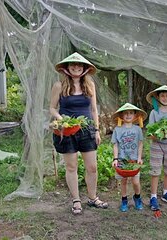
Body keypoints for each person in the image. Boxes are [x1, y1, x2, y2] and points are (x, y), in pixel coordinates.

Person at [50, 52, 108, 215]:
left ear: (84, 68)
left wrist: (96, 130)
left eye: (79, 65)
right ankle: (76, 200)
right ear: (67, 68)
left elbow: (94, 109)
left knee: (92, 167)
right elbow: (52, 108)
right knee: (71, 166)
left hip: (86, 129)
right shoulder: (59, 86)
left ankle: (92, 197)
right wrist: (62, 119)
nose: (76, 67)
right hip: (66, 131)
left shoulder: (89, 85)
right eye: (72, 65)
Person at [111, 103, 147, 212]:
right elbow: (115, 145)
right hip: (122, 160)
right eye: (125, 113)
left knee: (136, 182)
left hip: (134, 160)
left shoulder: (137, 129)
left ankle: (137, 197)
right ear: (121, 116)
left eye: (131, 113)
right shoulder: (117, 129)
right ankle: (124, 200)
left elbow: (140, 144)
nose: (128, 115)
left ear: (135, 116)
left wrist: (139, 158)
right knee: (124, 181)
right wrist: (115, 159)